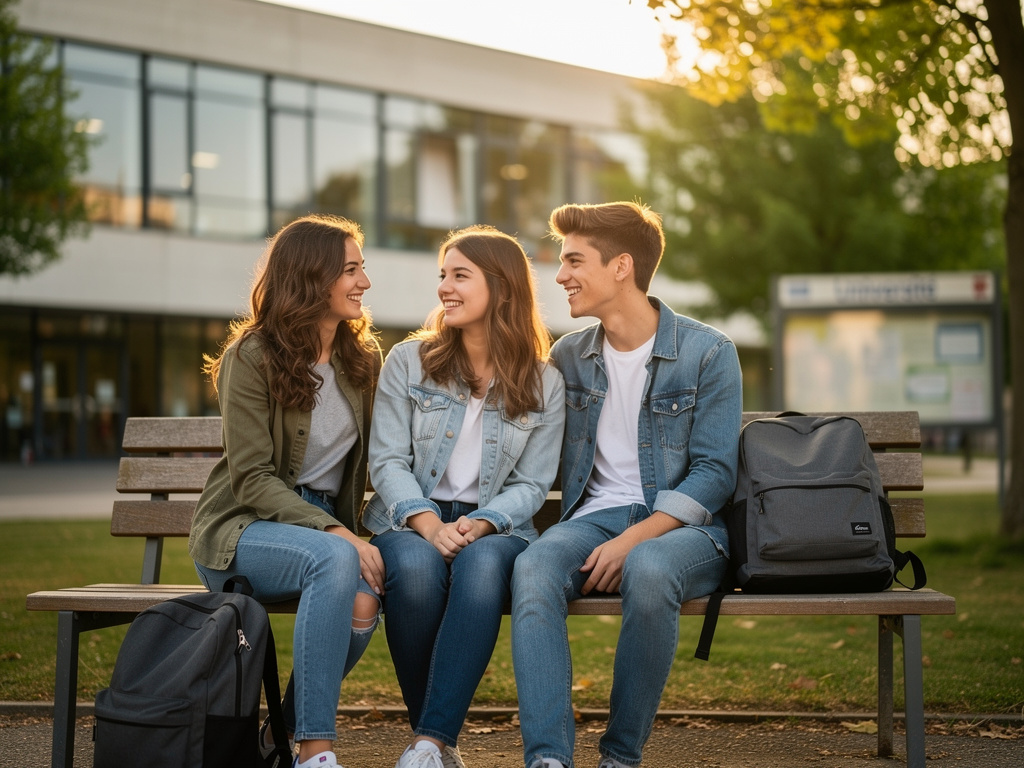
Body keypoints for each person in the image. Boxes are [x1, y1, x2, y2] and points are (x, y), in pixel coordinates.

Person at [511, 202, 742, 768]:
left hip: (689, 530)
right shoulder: (568, 356)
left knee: (651, 568)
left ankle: (619, 757)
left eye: (573, 260)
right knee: (534, 568)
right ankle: (548, 758)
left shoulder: (708, 352)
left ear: (621, 267)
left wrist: (636, 540)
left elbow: (715, 472)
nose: (560, 275)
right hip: (593, 521)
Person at [363, 225, 566, 768]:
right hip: (409, 518)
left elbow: (531, 483)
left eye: (459, 276)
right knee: (417, 571)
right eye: (442, 276)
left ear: (500, 287)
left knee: (479, 571)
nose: (444, 288)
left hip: (495, 527)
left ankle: (428, 743)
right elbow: (386, 461)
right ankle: (435, 742)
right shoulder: (409, 361)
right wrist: (428, 524)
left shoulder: (545, 381)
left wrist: (482, 523)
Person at [189, 214, 383, 768]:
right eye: (351, 269)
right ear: (310, 276)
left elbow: (380, 461)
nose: (364, 282)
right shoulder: (250, 357)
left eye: (362, 268)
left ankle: (283, 736)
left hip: (321, 529)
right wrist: (338, 532)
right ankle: (315, 751)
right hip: (242, 530)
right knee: (335, 560)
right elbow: (251, 479)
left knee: (371, 584)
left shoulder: (361, 360)